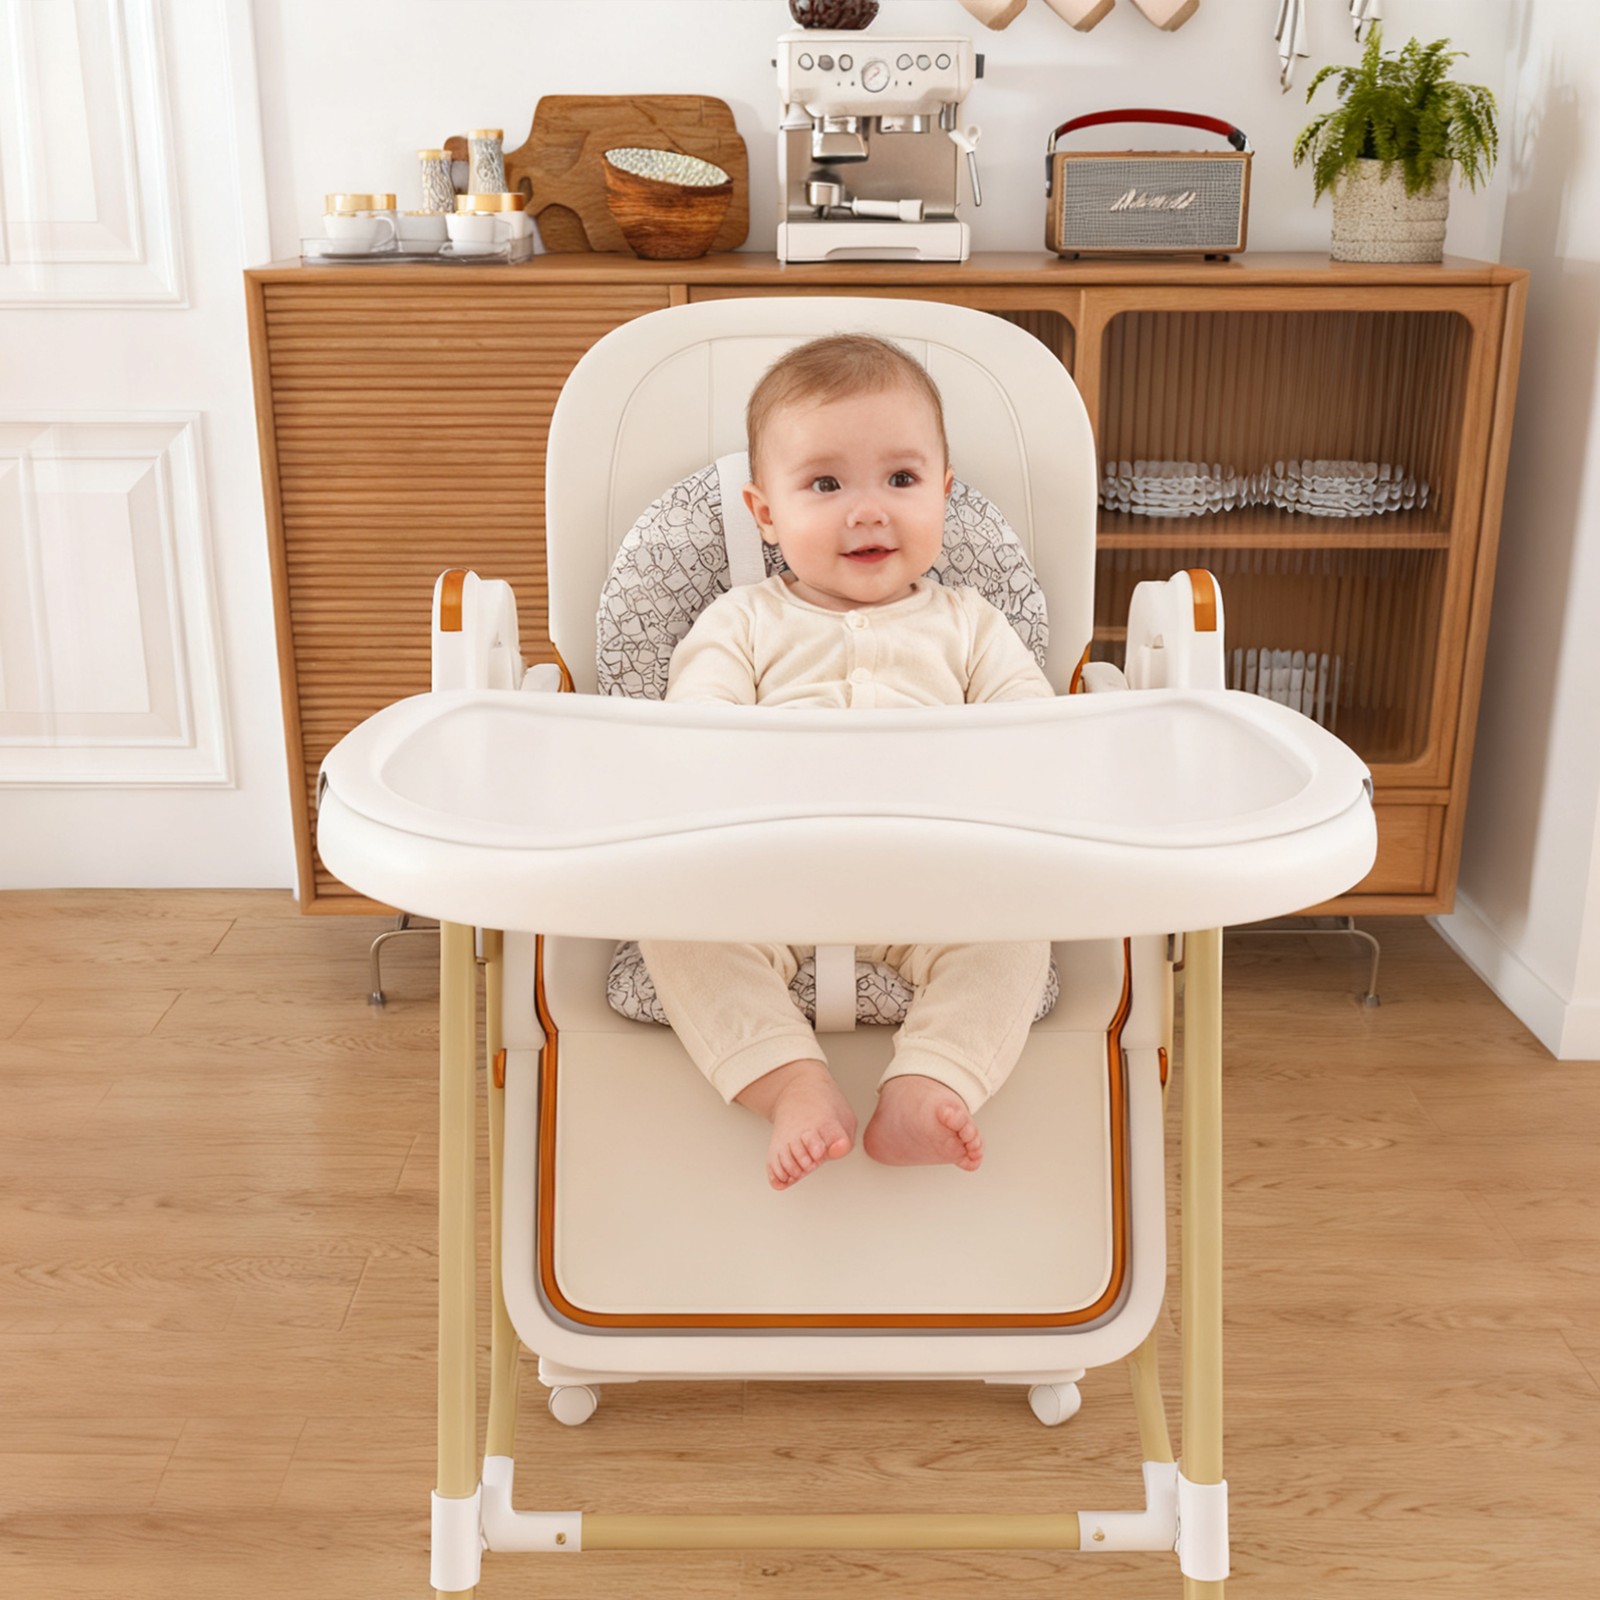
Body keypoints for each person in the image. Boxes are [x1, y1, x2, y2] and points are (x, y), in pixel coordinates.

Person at [638, 334, 1054, 1191]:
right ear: (765, 513)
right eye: (826, 485)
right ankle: (790, 1081)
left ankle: (929, 1081)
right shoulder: (742, 621)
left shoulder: (971, 625)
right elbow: (696, 730)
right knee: (673, 922)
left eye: (900, 479)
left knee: (1017, 933)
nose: (868, 511)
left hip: (936, 880)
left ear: (944, 492)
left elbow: (1033, 733)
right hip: (770, 878)